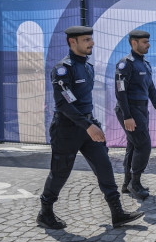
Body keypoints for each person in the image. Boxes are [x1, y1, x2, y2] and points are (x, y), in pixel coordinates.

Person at [37, 26, 144, 229]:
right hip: (66, 129)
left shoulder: (88, 67)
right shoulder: (62, 69)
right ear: (72, 42)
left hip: (87, 126)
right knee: (60, 173)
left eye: (91, 40)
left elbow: (84, 102)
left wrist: (92, 124)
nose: (91, 43)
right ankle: (45, 212)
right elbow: (64, 103)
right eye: (86, 40)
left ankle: (117, 213)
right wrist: (88, 126)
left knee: (104, 166)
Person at [114, 30, 156, 200]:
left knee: (133, 145)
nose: (148, 44)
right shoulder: (125, 64)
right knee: (143, 146)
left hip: (142, 109)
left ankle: (127, 183)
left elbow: (150, 89)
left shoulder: (145, 64)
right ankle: (135, 183)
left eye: (148, 41)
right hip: (129, 109)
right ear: (134, 43)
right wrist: (127, 116)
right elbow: (120, 92)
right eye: (144, 42)